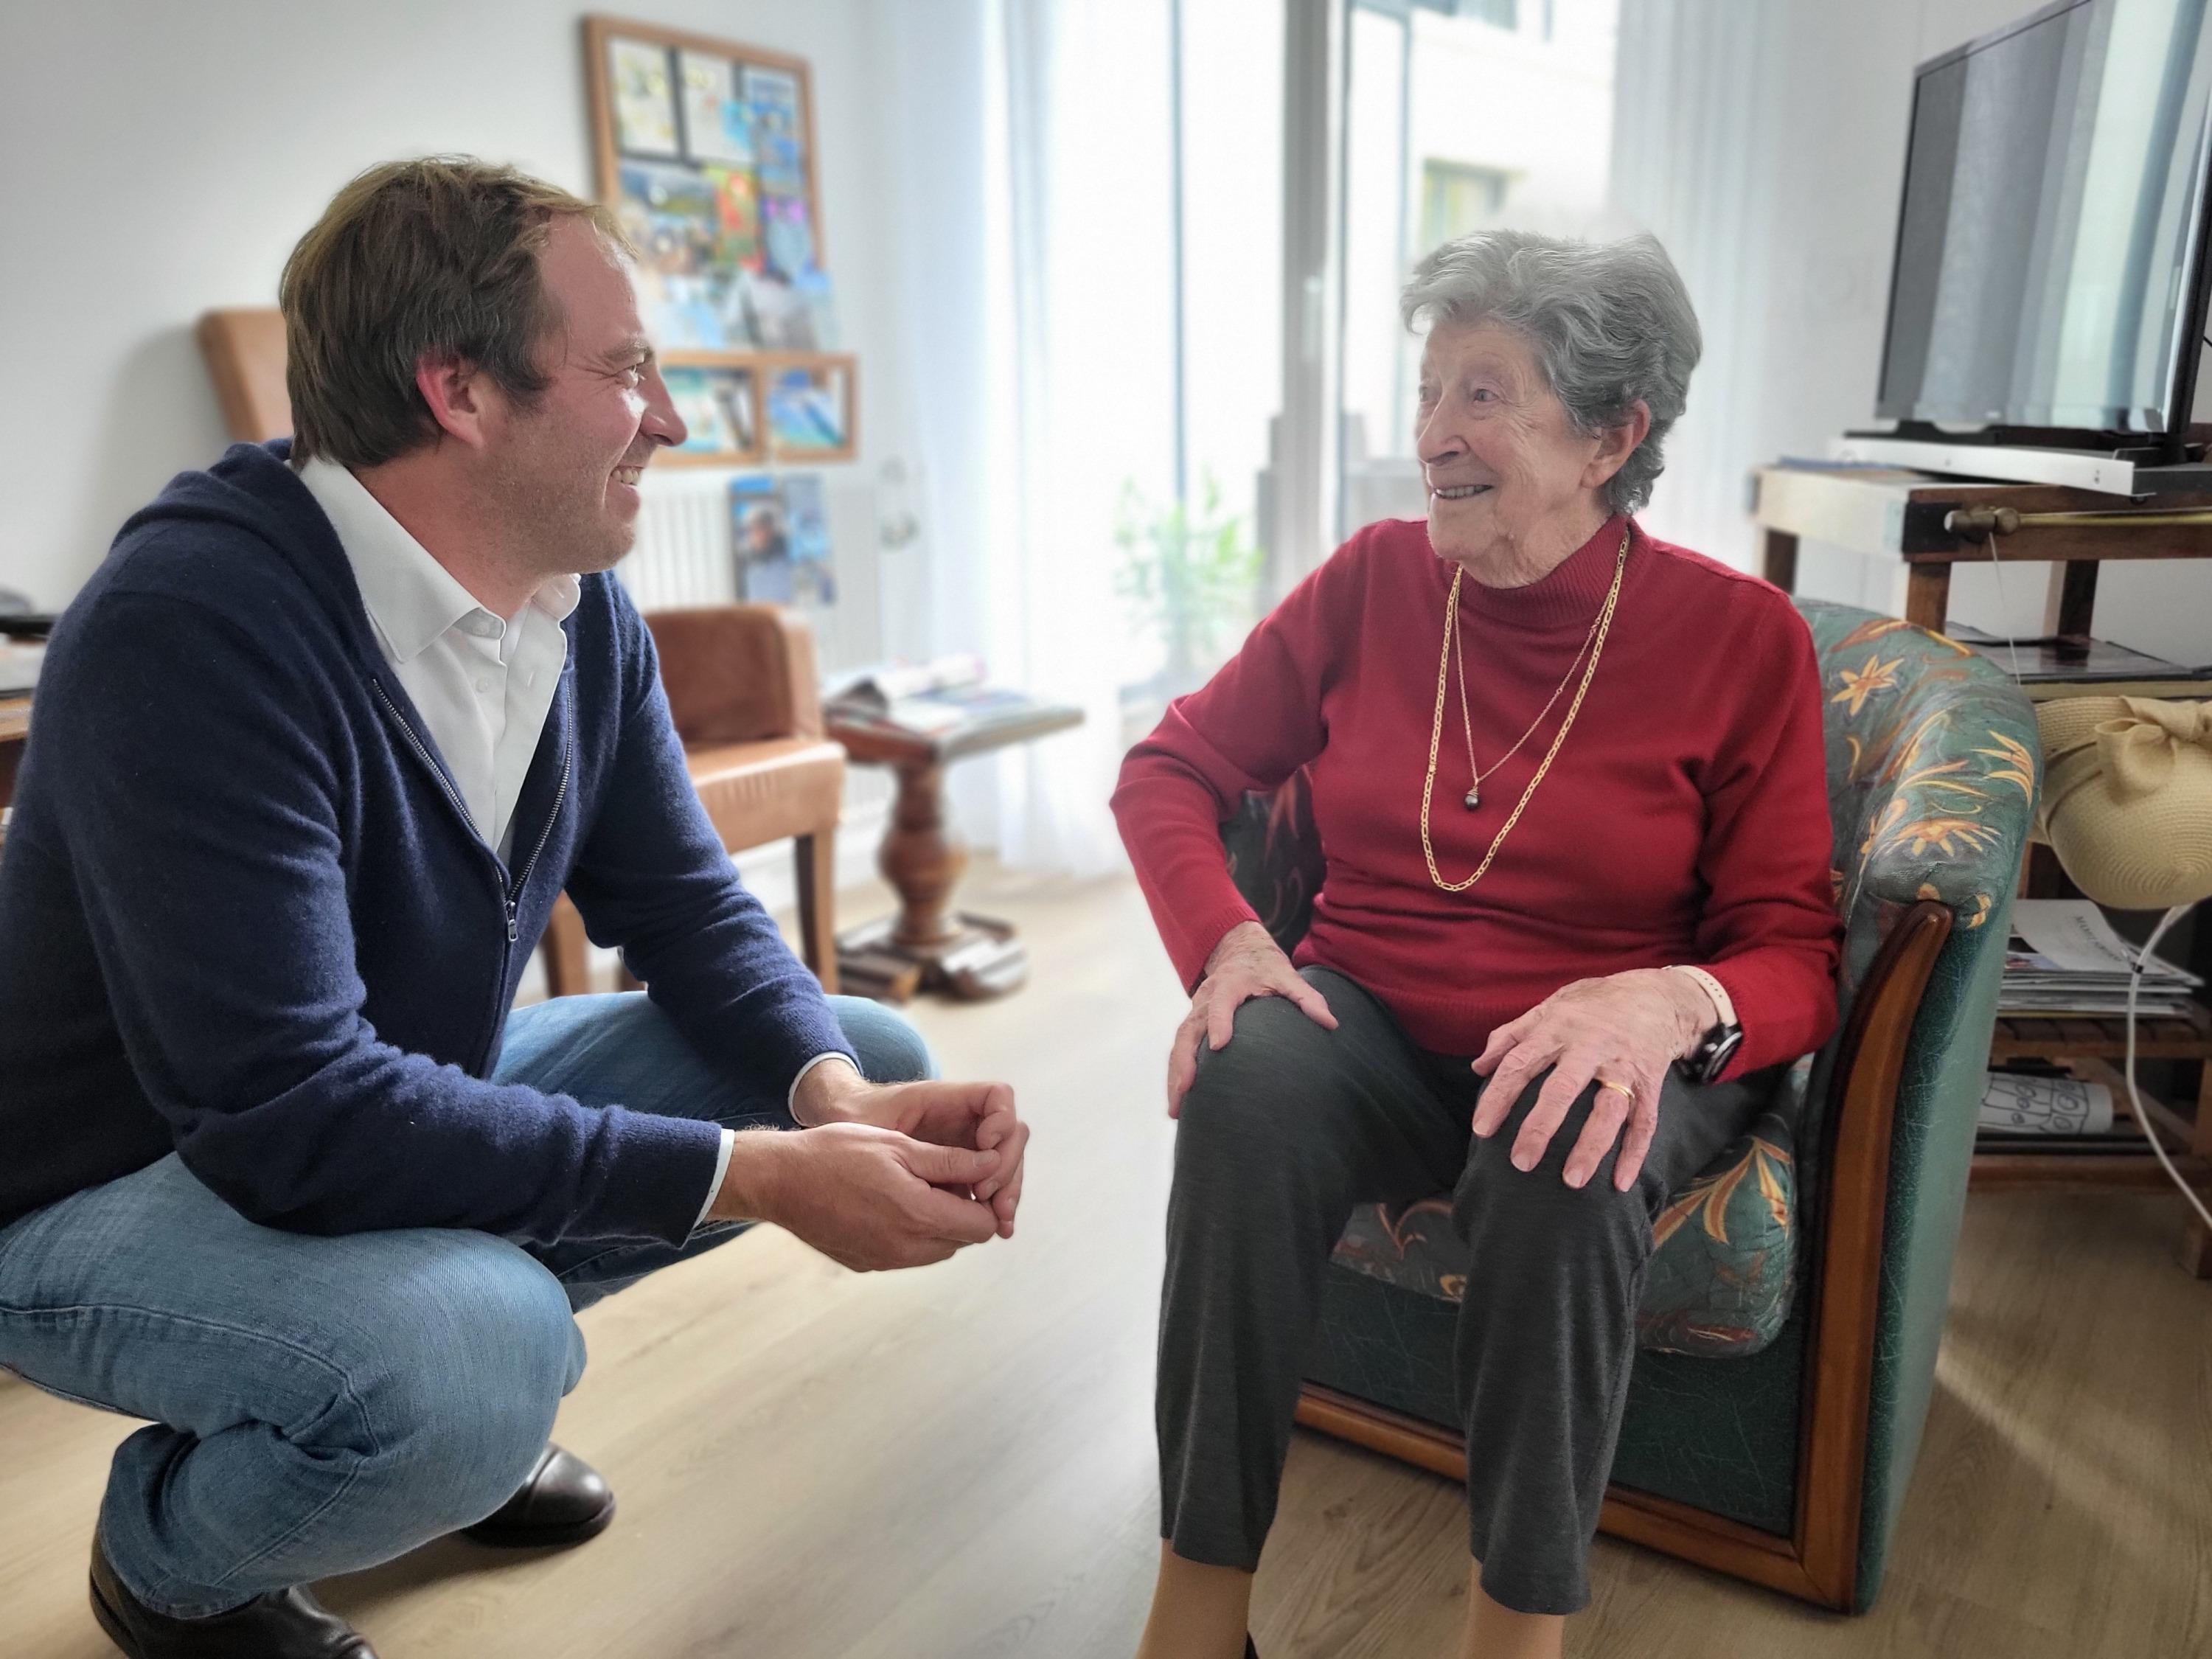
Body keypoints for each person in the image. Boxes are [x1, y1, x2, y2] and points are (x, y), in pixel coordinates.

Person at [0, 157, 1029, 1659]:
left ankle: (410, 1418)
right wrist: (759, 1176)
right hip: (92, 1192)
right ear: (461, 391)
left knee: (856, 1044)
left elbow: (683, 902)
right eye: (626, 371)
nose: (668, 417)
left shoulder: (571, 598)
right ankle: (173, 1553)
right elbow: (290, 1116)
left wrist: (824, 1097)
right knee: (483, 1352)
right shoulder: (195, 634)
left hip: (337, 1116)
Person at [1111, 229, 1840, 1659]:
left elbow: (1795, 952)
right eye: (1431, 389)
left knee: (1566, 1146)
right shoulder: (1374, 584)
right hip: (1371, 1018)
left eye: (1485, 397)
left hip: (1621, 1043)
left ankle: (1516, 1635)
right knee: (1247, 1077)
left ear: (1613, 435)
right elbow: (1172, 769)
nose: (1431, 436)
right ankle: (1196, 1616)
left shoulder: (1740, 640)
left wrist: (1662, 1002)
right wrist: (1229, 947)